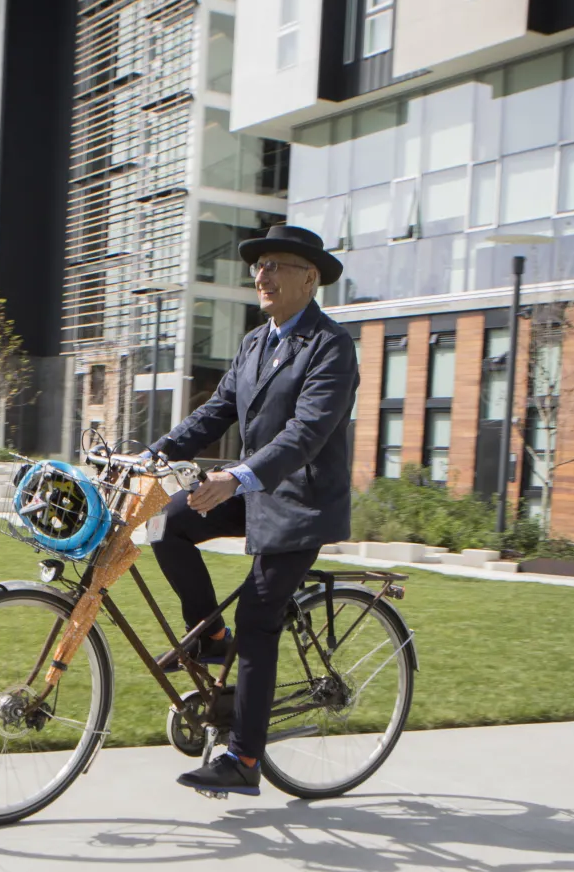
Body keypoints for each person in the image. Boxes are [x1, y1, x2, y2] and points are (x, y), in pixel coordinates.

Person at [146, 224, 357, 796]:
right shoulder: (255, 343)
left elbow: (305, 433)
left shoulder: (331, 346)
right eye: (258, 266)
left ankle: (243, 759)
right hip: (253, 492)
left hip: (299, 502)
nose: (260, 276)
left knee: (259, 621)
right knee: (166, 523)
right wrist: (152, 454)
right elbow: (214, 413)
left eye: (275, 266)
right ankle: (209, 637)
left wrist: (234, 477)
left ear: (309, 278)